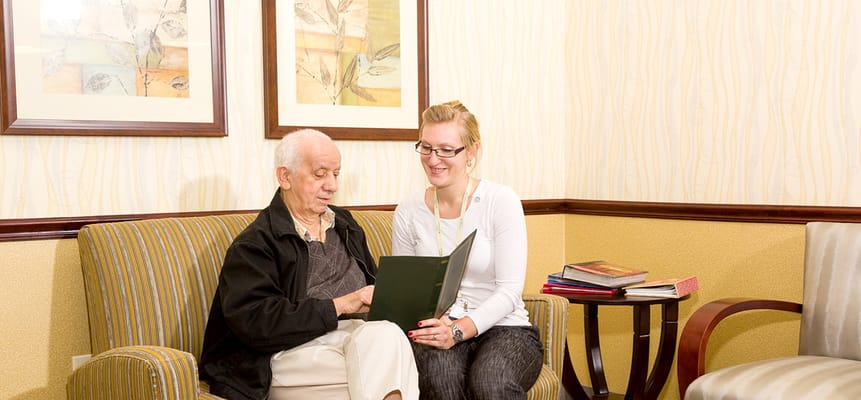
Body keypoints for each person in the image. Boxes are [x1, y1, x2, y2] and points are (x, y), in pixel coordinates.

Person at [199, 129, 419, 400]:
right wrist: (341, 305)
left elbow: (372, 285)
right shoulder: (256, 243)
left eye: (336, 174)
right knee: (386, 352)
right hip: (284, 353)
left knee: (387, 339)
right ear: (285, 177)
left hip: (355, 339)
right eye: (320, 174)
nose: (332, 185)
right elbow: (257, 322)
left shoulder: (345, 224)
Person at [392, 100, 544, 399]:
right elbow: (407, 292)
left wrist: (458, 330)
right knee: (440, 377)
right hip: (437, 328)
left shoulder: (500, 201)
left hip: (505, 328)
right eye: (426, 147)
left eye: (447, 149)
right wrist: (438, 327)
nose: (434, 159)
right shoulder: (408, 211)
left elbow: (510, 290)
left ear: (472, 151)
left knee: (490, 381)